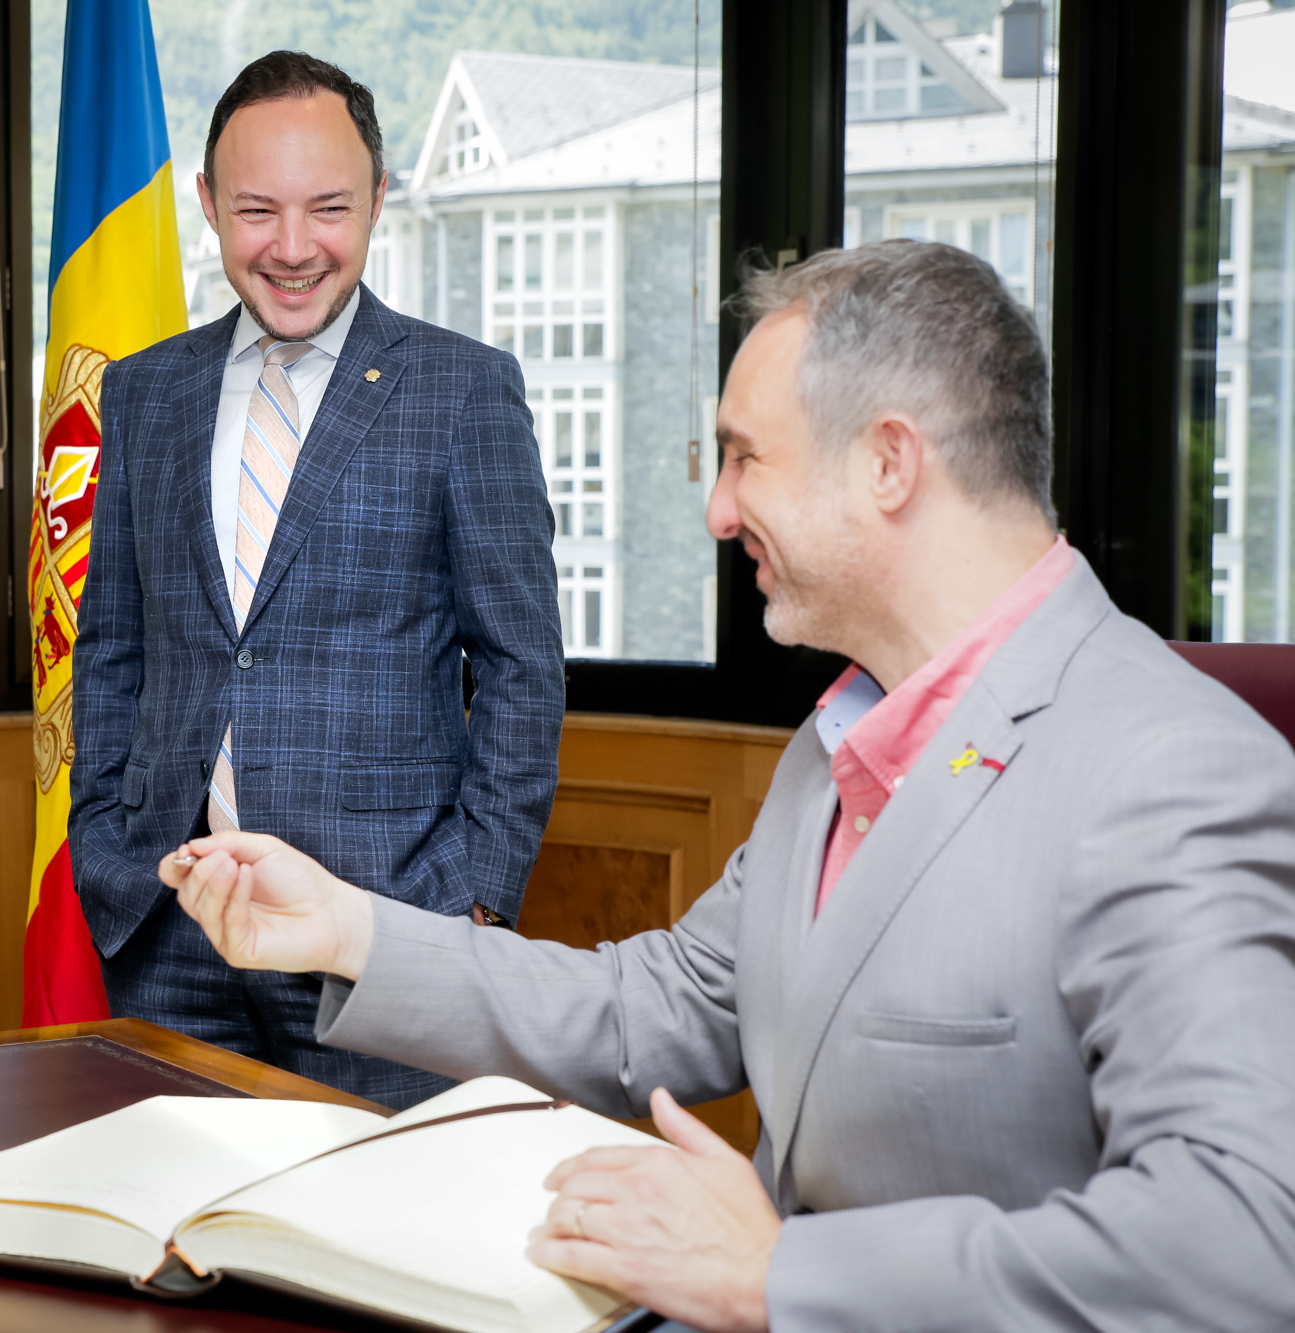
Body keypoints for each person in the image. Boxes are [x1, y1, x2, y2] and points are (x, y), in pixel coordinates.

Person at [157, 240, 1295, 1330]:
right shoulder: (841, 738)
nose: (716, 511)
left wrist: (780, 1275)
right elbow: (657, 1006)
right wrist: (345, 929)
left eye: (744, 456)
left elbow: (1239, 1245)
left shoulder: (1170, 769)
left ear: (887, 462)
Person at [69, 52, 563, 1109]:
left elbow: (522, 665)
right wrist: (103, 845)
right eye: (256, 211)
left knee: (368, 1242)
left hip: (387, 928)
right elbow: (112, 642)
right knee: (168, 1232)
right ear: (205, 205)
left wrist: (471, 899)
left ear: (379, 200)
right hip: (169, 926)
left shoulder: (462, 392)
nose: (292, 249)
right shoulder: (147, 391)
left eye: (328, 208)